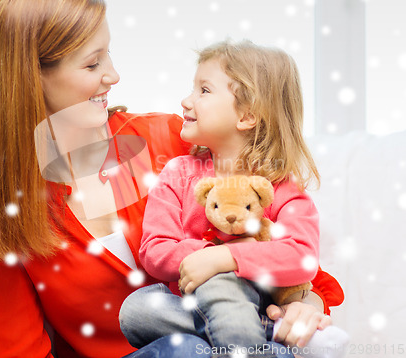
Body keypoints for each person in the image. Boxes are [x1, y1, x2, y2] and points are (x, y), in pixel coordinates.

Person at [0, 0, 342, 358]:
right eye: (93, 63)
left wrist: (306, 305)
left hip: (228, 341)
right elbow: (17, 349)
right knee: (183, 349)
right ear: (32, 77)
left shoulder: (170, 142)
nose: (113, 75)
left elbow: (288, 252)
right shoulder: (0, 209)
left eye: (108, 54)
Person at [119, 41, 347, 357]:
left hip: (254, 304)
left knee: (223, 305)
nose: (186, 101)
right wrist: (208, 255)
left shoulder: (281, 187)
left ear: (246, 115)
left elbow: (302, 257)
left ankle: (244, 338)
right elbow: (155, 250)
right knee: (138, 310)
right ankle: (262, 337)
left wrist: (228, 260)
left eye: (204, 91)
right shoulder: (179, 173)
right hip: (191, 306)